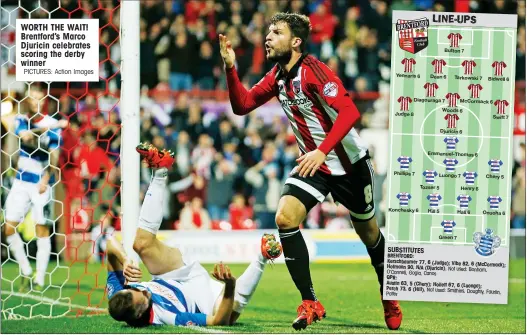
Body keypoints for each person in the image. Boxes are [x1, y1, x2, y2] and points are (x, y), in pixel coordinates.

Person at [219, 12, 402, 331]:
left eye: (277, 32)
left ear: (296, 41)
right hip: (313, 164)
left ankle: (389, 295)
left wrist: (322, 150)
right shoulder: (277, 76)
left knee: (369, 234)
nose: (268, 37)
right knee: (285, 218)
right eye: (268, 32)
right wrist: (231, 67)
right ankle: (310, 301)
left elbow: (350, 111)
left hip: (348, 165)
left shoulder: (314, 71)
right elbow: (242, 105)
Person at [106, 143, 283, 327]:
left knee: (141, 245)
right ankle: (263, 256)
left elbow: (110, 243)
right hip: (201, 299)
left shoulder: (119, 295)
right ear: (139, 314)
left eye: (136, 290)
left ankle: (160, 170)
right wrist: (230, 286)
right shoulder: (165, 316)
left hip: (173, 274)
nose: (144, 291)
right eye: (143, 298)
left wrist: (124, 260)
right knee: (229, 316)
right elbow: (217, 321)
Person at [4, 88, 68, 292]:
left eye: (40, 99)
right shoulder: (22, 119)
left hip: (41, 183)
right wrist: (52, 125)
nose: (36, 102)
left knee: (42, 230)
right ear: (27, 101)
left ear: (45, 101)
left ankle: (40, 279)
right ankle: (25, 270)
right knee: (8, 229)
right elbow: (26, 138)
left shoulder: (53, 124)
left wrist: (47, 178)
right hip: (21, 181)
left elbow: (55, 155)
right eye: (33, 98)